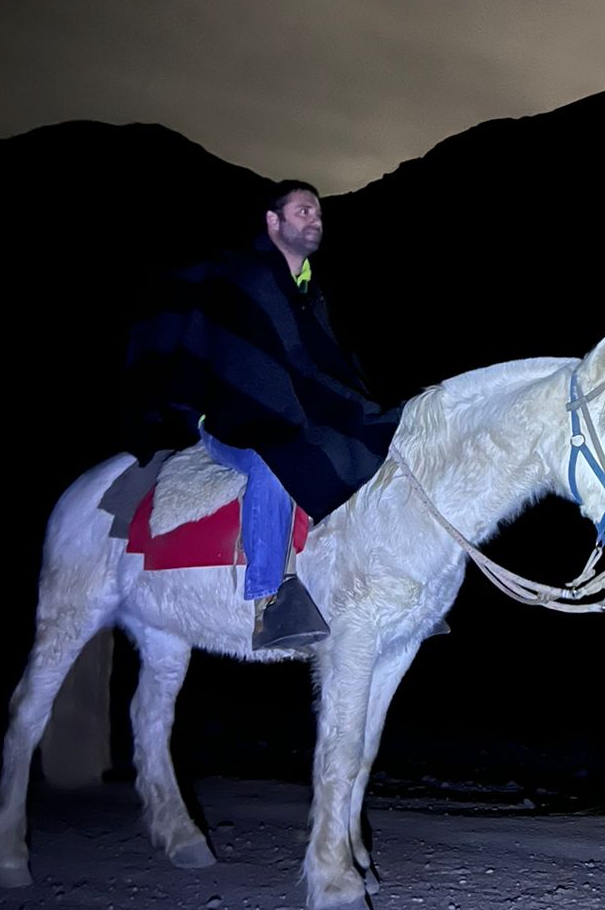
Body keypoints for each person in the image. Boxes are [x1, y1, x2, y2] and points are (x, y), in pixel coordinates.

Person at [123, 181, 399, 653]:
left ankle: (379, 576)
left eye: (317, 213)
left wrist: (360, 410)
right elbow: (249, 368)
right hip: (228, 417)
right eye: (302, 211)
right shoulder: (250, 280)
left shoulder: (308, 290)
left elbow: (317, 365)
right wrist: (291, 416)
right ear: (273, 222)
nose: (314, 219)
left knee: (366, 440)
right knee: (276, 460)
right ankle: (269, 599)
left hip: (280, 410)